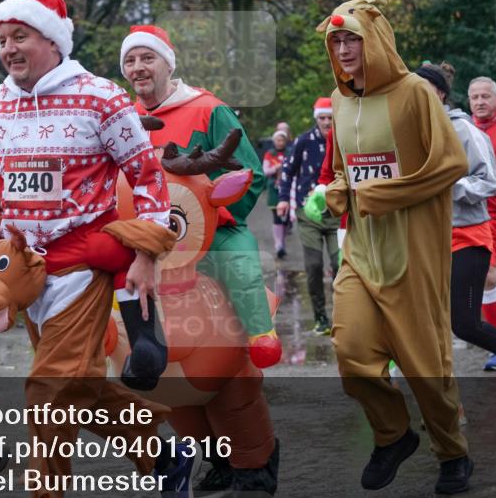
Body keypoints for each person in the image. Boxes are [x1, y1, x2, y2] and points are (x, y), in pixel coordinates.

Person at [0, 0, 198, 498]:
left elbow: (147, 177)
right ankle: (166, 455)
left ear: (51, 39)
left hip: (83, 265)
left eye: (20, 36)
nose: (8, 48)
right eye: (2, 39)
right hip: (24, 274)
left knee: (46, 390)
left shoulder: (100, 97)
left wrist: (145, 252)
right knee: (78, 389)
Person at [319, 0, 473, 495]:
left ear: (376, 40)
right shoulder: (339, 101)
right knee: (350, 352)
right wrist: (336, 191)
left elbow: (451, 163)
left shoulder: (415, 93)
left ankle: (453, 452)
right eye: (336, 42)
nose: (343, 50)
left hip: (414, 253)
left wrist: (381, 193)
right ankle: (392, 435)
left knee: (426, 367)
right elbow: (343, 169)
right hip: (360, 252)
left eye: (352, 39)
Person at [122, 25, 281, 365]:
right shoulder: (125, 118)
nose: (138, 68)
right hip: (143, 233)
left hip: (209, 229)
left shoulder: (209, 109)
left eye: (147, 58)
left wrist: (211, 218)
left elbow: (250, 174)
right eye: (130, 61)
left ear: (168, 64)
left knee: (239, 264)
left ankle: (260, 334)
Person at [416, 63, 496, 403]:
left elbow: (489, 181)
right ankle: (442, 401)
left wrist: (444, 186)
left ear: (440, 93)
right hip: (426, 239)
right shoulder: (407, 132)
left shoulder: (463, 129)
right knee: (423, 322)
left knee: (463, 324)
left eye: (424, 88)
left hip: (467, 236)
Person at [277, 98, 340, 335]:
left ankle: (342, 318)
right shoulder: (304, 141)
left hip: (336, 213)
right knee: (314, 266)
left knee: (340, 265)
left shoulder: (342, 139)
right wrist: (284, 198)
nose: (326, 122)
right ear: (316, 119)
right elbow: (288, 170)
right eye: (322, 118)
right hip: (308, 214)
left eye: (330, 118)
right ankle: (321, 319)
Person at [468, 77, 496, 370]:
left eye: (486, 96)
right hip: (480, 217)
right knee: (488, 278)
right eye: (475, 97)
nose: (480, 101)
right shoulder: (462, 129)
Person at [263, 130, 291, 258]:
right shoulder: (269, 154)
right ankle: (279, 245)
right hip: (274, 188)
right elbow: (265, 171)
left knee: (287, 219)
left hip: (288, 187)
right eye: (278, 140)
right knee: (277, 216)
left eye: (282, 140)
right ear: (274, 141)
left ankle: (282, 242)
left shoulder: (290, 152)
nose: (280, 142)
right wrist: (276, 167)